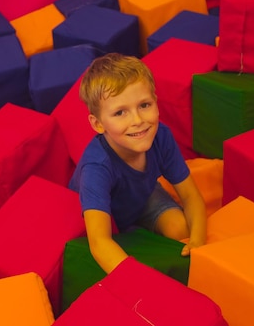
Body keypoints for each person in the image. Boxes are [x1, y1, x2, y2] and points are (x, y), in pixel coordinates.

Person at [69, 52, 207, 274]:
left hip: (142, 196)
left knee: (181, 229)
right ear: (98, 124)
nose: (138, 121)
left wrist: (198, 243)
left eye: (144, 105)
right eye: (120, 112)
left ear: (156, 101)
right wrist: (140, 284)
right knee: (110, 253)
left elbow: (191, 196)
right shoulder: (96, 167)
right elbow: (99, 242)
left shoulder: (160, 136)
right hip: (103, 214)